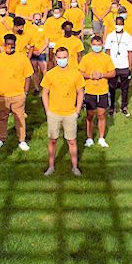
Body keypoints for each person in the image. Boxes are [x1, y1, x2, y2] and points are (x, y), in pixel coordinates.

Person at [40, 47, 85, 176]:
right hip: (54, 113)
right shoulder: (50, 74)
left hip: (70, 113)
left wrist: (77, 110)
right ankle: (51, 166)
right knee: (53, 140)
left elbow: (80, 92)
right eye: (59, 58)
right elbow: (45, 93)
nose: (61, 60)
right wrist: (48, 110)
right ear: (55, 58)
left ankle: (75, 167)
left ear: (68, 58)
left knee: (72, 140)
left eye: (64, 57)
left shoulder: (75, 74)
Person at [0, 34, 33, 151]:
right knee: (2, 118)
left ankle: (22, 140)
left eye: (12, 45)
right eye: (7, 44)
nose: (10, 47)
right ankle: (1, 139)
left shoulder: (22, 58)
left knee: (20, 118)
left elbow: (28, 76)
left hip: (18, 95)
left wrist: (25, 92)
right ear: (4, 45)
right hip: (2, 95)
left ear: (15, 45)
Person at [79, 35, 116, 148]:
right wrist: (90, 76)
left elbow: (113, 73)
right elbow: (80, 72)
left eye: (98, 45)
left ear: (102, 45)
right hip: (90, 91)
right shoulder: (86, 58)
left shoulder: (107, 58)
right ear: (91, 45)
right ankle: (89, 138)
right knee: (90, 115)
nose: (96, 47)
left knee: (101, 114)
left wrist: (102, 75)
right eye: (94, 45)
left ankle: (101, 138)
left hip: (103, 91)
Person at [103, 17, 132, 117]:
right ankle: (111, 107)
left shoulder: (128, 37)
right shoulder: (110, 36)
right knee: (111, 88)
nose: (118, 26)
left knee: (125, 88)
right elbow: (107, 51)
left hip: (124, 65)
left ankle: (124, 107)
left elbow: (130, 52)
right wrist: (107, 65)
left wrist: (130, 66)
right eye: (117, 24)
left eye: (120, 24)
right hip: (113, 66)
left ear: (123, 24)